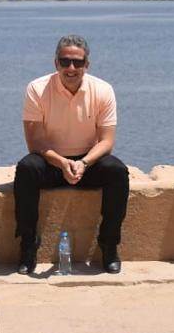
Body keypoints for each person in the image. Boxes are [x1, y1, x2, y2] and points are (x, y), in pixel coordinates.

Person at [14, 34, 129, 275]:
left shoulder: (103, 90)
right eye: (65, 61)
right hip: (51, 161)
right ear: (56, 63)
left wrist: (83, 163)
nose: (71, 68)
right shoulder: (37, 89)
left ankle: (109, 245)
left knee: (118, 171)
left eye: (78, 62)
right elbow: (34, 142)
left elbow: (107, 141)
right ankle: (28, 245)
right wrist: (62, 162)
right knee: (26, 169)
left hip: (88, 162)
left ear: (87, 64)